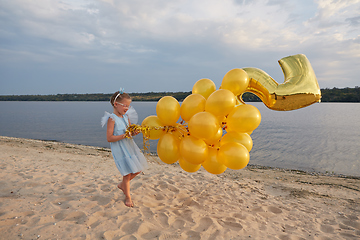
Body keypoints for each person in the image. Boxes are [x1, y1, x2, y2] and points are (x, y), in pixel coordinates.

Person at [101, 88, 148, 207]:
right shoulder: (112, 119)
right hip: (120, 149)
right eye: (125, 106)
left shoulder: (126, 117)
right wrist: (124, 135)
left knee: (138, 169)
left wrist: (134, 132)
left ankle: (122, 185)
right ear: (116, 104)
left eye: (128, 106)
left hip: (129, 146)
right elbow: (109, 138)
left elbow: (130, 131)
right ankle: (128, 197)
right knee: (127, 174)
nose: (127, 108)